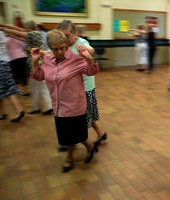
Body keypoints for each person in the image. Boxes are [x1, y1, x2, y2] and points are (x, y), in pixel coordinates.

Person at [31, 29, 99, 172]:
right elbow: (39, 76)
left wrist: (88, 58)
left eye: (63, 48)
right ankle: (91, 147)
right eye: (56, 49)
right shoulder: (48, 60)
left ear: (66, 45)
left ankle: (69, 158)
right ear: (50, 47)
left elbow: (92, 71)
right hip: (58, 105)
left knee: (72, 135)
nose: (60, 52)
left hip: (75, 104)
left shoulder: (75, 58)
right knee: (71, 134)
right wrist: (35, 62)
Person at [56, 20, 107, 152]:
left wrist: (86, 52)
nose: (65, 39)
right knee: (86, 115)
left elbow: (90, 49)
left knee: (80, 118)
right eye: (62, 36)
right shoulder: (63, 46)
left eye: (67, 35)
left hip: (84, 86)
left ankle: (71, 143)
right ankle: (100, 134)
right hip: (71, 88)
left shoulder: (80, 43)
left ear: (74, 34)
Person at [0, 21, 53, 115]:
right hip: (37, 62)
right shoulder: (35, 33)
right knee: (36, 86)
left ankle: (46, 107)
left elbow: (17, 32)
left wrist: (3, 29)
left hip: (38, 63)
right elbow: (18, 31)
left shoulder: (33, 34)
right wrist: (4, 25)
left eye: (26, 27)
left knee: (40, 85)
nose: (24, 29)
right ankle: (39, 107)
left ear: (29, 27)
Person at [0, 30, 25, 122]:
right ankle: (2, 113)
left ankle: (18, 110)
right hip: (5, 61)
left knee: (6, 88)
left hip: (1, 63)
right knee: (4, 87)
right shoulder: (2, 33)